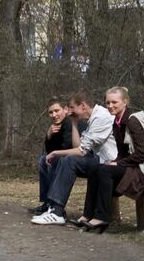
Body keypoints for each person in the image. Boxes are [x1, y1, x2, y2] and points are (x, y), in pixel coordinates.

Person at [77, 86, 144, 233]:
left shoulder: (132, 121)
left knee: (105, 170)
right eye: (108, 103)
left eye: (114, 102)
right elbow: (122, 153)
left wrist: (118, 163)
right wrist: (116, 161)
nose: (110, 106)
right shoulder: (116, 123)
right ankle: (88, 214)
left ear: (125, 102)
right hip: (130, 167)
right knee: (95, 168)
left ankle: (102, 217)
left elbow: (142, 154)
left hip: (142, 172)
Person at [30, 90, 116, 226]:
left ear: (82, 106)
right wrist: (75, 123)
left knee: (67, 160)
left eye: (71, 108)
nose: (70, 112)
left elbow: (81, 151)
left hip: (110, 162)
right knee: (62, 159)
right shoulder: (90, 118)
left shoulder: (100, 117)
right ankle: (52, 207)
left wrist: (55, 153)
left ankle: (56, 211)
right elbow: (80, 146)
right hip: (98, 160)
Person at [30, 96, 83, 215]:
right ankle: (47, 202)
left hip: (79, 156)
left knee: (54, 161)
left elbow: (68, 147)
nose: (54, 115)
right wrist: (49, 135)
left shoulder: (69, 123)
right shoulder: (56, 125)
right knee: (43, 160)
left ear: (65, 109)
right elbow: (49, 150)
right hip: (65, 155)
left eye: (56, 111)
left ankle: (55, 204)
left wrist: (53, 153)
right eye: (50, 112)